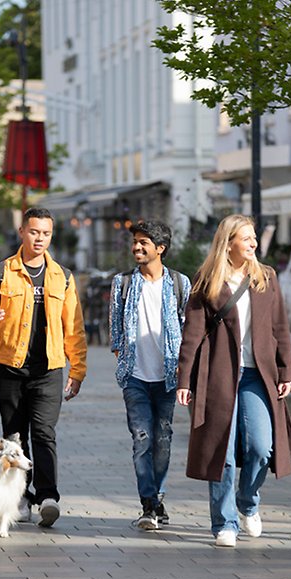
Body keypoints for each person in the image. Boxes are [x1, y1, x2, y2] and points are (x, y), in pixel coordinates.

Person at [177, 214, 291, 548]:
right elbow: (193, 334)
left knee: (261, 447)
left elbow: (280, 329)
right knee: (222, 450)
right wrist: (184, 379)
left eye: (254, 238)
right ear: (228, 242)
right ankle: (224, 522)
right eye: (246, 238)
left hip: (257, 374)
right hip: (218, 373)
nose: (253, 243)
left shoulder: (265, 277)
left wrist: (286, 371)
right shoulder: (207, 280)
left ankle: (248, 502)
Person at [0, 207, 87, 528]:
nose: (40, 239)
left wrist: (78, 369)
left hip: (49, 367)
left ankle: (48, 496)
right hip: (9, 367)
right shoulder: (1, 272)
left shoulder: (62, 277)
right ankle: (19, 497)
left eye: (46, 233)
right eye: (34, 232)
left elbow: (74, 326)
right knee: (14, 436)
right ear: (22, 232)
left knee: (45, 432)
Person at [109, 220, 191, 530]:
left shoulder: (180, 283)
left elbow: (190, 328)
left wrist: (186, 365)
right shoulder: (123, 283)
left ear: (161, 248)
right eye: (135, 242)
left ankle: (158, 496)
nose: (137, 247)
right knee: (142, 437)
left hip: (169, 376)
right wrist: (122, 355)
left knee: (163, 439)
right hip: (135, 376)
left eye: (144, 243)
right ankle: (148, 503)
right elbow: (115, 328)